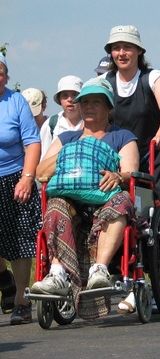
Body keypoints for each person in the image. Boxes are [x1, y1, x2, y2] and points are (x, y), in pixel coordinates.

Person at [30, 77, 139, 319]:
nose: (88, 106)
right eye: (85, 101)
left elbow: (131, 170)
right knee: (56, 203)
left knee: (121, 200)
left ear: (109, 108)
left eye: (96, 102)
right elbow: (40, 173)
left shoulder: (122, 137)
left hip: (105, 200)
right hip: (73, 205)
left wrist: (117, 175)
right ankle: (57, 274)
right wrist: (71, 156)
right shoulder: (67, 139)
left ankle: (99, 270)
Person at [102, 25, 160, 215]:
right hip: (118, 160)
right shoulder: (104, 82)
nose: (122, 53)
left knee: (159, 211)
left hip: (152, 156)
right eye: (116, 48)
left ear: (139, 50)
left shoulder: (152, 77)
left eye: (128, 47)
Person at [0, 52, 42, 325]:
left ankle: (21, 302)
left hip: (14, 177)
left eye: (0, 73)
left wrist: (27, 178)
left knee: (19, 241)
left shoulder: (16, 102)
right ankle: (6, 282)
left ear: (6, 77)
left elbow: (33, 142)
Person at [40, 75, 84, 157]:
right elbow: (44, 157)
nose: (70, 99)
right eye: (65, 95)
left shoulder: (90, 123)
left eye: (74, 95)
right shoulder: (52, 124)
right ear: (59, 99)